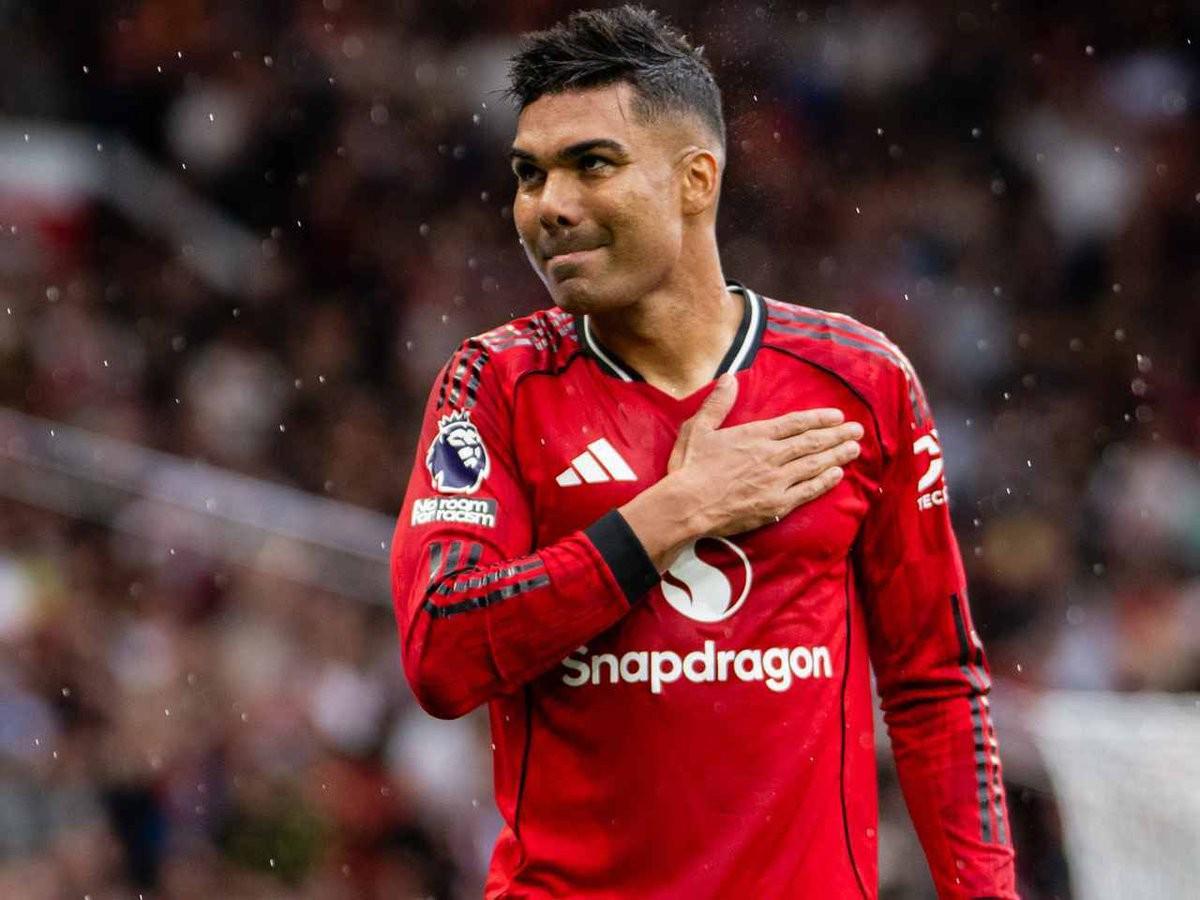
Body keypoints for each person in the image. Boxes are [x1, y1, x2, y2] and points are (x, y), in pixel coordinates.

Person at [390, 5, 1017, 897]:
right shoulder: (494, 383)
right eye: (529, 175)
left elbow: (936, 686)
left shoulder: (861, 382)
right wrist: (674, 513)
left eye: (591, 164)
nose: (548, 206)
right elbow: (441, 650)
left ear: (695, 179)